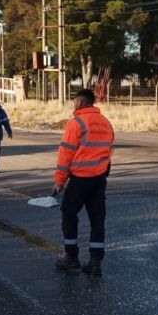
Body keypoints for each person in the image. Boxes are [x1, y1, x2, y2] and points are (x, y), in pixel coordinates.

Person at [53, 88, 114, 276]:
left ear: (80, 103)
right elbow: (108, 151)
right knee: (97, 219)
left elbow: (66, 153)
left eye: (74, 102)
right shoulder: (106, 123)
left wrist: (59, 181)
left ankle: (71, 258)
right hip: (99, 178)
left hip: (80, 178)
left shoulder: (76, 123)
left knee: (69, 214)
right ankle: (95, 262)